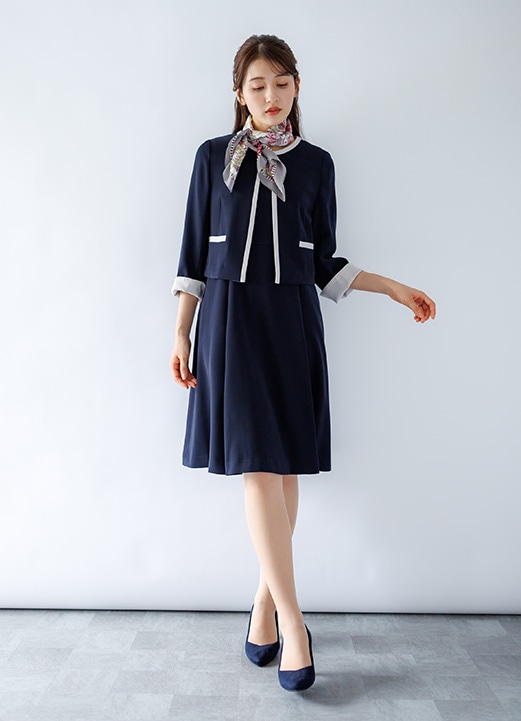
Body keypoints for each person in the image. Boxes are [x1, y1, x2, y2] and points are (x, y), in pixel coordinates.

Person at [169, 34, 436, 692]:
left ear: (296, 87)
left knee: (283, 465)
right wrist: (180, 333)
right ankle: (293, 622)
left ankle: (264, 603)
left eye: (282, 83)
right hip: (229, 324)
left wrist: (392, 287)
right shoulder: (212, 159)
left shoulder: (316, 164)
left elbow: (324, 262)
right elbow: (192, 255)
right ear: (239, 94)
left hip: (291, 322)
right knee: (257, 465)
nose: (271, 95)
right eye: (258, 85)